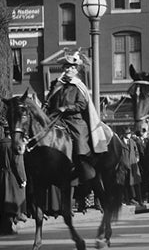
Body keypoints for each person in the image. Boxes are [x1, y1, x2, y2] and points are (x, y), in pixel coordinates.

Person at [45, 50, 113, 183]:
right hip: (56, 119)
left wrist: (66, 108)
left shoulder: (79, 86)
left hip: (74, 120)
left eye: (72, 67)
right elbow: (49, 102)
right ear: (63, 68)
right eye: (67, 67)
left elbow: (82, 105)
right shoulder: (56, 85)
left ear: (76, 70)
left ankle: (85, 170)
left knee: (80, 143)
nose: (69, 69)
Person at [0, 122, 27, 235]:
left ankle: (3, 227)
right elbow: (18, 164)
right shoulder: (15, 146)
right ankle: (7, 228)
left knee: (2, 203)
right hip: (12, 178)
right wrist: (23, 179)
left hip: (0, 176)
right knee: (11, 202)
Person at [118, 126, 142, 205]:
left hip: (133, 165)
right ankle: (127, 199)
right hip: (123, 165)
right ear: (124, 134)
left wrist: (137, 158)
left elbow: (136, 151)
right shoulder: (120, 142)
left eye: (130, 133)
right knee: (125, 183)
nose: (129, 135)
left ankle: (139, 199)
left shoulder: (132, 142)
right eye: (127, 133)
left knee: (136, 183)